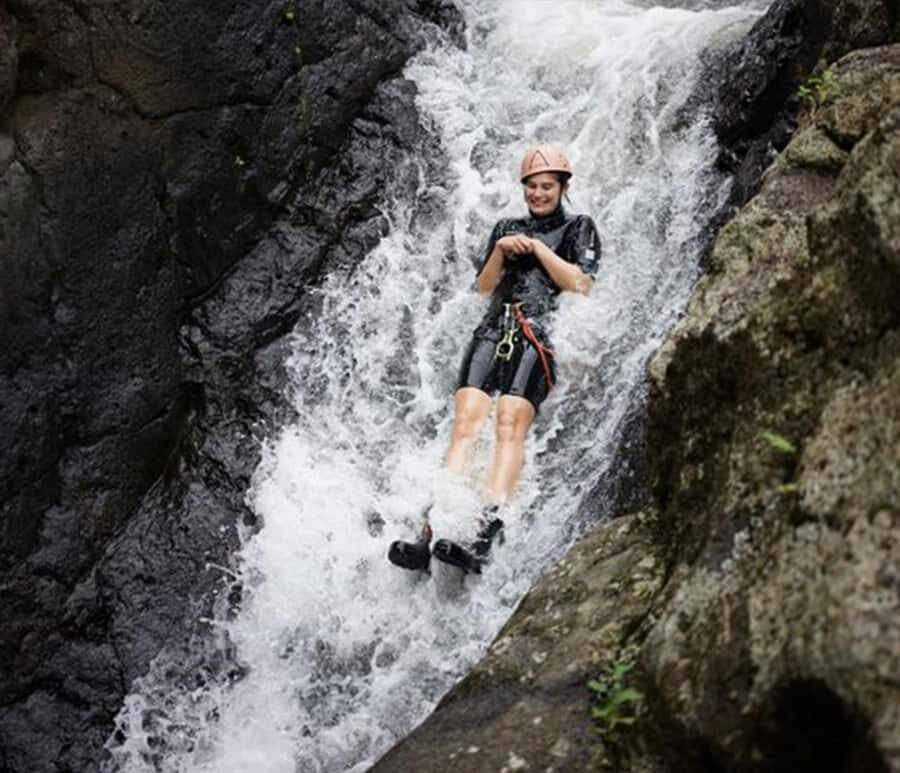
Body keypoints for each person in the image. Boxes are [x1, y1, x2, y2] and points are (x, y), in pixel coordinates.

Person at [389, 145, 601, 574]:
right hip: (492, 329)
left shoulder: (580, 227)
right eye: (532, 187)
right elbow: (484, 288)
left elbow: (582, 285)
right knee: (465, 422)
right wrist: (500, 252)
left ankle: (485, 534)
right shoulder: (506, 227)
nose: (538, 194)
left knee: (508, 421)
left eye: (546, 187)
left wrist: (540, 251)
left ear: (563, 187)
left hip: (536, 335)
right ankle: (429, 531)